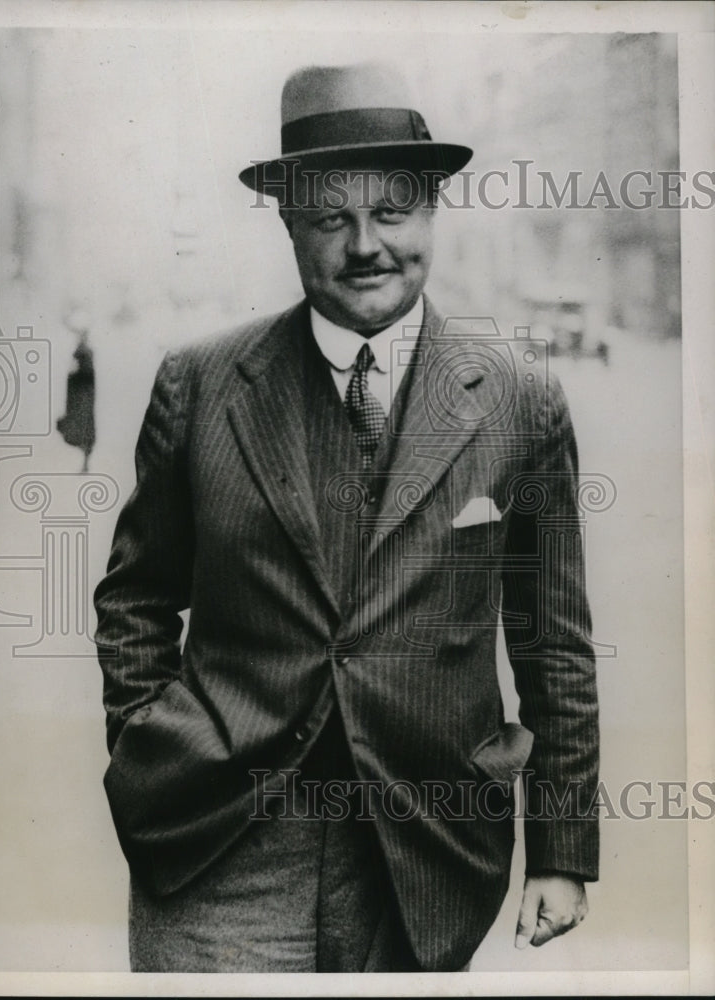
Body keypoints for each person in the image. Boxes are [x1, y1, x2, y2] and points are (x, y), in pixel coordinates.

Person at [94, 62, 599, 973]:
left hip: (425, 849)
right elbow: (136, 598)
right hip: (220, 842)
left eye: (392, 212)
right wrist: (148, 745)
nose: (366, 246)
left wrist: (561, 850)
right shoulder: (200, 385)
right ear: (288, 225)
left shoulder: (519, 400)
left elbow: (551, 642)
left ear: (432, 212)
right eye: (330, 219)